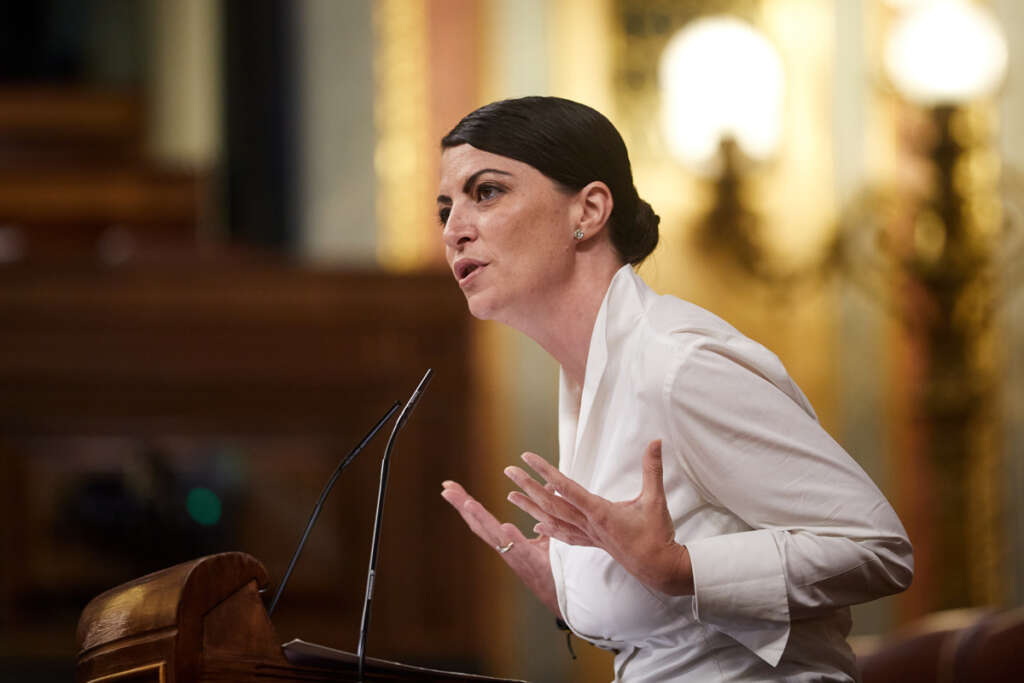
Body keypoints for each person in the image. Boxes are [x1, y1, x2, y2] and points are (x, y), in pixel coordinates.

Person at [437, 96, 912, 682]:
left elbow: (878, 549)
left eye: (486, 192)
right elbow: (676, 636)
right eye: (444, 208)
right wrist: (576, 595)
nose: (455, 230)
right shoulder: (594, 371)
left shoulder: (678, 364)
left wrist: (680, 568)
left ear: (587, 209)